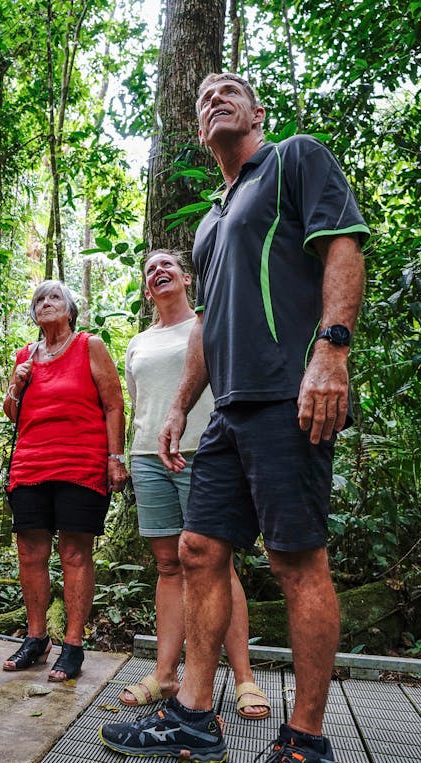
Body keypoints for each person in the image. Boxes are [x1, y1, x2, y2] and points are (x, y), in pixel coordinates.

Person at [100, 73, 368, 763]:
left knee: (295, 561)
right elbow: (209, 327)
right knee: (197, 549)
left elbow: (344, 246)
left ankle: (307, 748)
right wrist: (182, 405)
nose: (214, 98)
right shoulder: (213, 219)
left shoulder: (293, 159)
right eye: (202, 98)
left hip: (289, 393)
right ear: (196, 131)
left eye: (229, 91)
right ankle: (193, 715)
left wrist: (331, 350)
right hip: (228, 411)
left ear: (256, 112)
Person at [118, 249, 269, 721]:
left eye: (167, 266)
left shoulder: (208, 326)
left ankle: (244, 678)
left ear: (186, 278)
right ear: (147, 290)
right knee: (167, 565)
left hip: (205, 453)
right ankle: (165, 675)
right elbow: (140, 401)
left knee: (216, 563)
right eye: (150, 270)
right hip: (147, 456)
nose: (158, 272)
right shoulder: (138, 343)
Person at [1, 280, 128, 682]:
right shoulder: (26, 355)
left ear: (70, 310)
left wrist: (115, 459)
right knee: (30, 554)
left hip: (81, 464)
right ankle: (37, 638)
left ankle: (73, 644)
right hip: (30, 465)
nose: (46, 303)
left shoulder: (89, 346)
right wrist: (15, 385)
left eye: (54, 297)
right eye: (39, 299)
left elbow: (114, 404)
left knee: (74, 554)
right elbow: (10, 413)